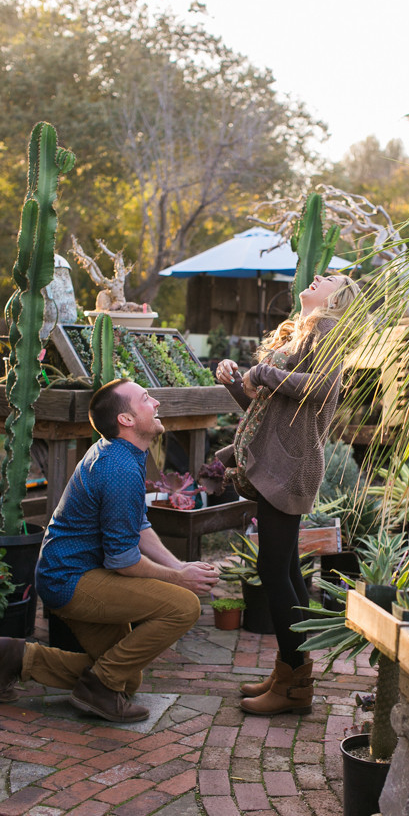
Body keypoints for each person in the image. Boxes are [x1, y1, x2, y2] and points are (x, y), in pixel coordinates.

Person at [0, 379, 219, 722]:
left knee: (126, 680)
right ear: (126, 420)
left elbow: (138, 526)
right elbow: (124, 561)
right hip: (70, 579)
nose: (156, 403)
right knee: (184, 606)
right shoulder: (119, 467)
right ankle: (99, 688)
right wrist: (179, 579)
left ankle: (13, 657)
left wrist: (178, 565)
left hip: (74, 573)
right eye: (146, 399)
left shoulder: (123, 453)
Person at [216, 273, 361, 715]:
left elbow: (321, 386)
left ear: (337, 299)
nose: (317, 276)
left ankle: (295, 683)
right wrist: (236, 383)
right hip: (283, 465)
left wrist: (261, 372)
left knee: (274, 569)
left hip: (290, 468)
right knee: (286, 570)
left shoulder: (327, 328)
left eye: (328, 278)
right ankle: (289, 674)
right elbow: (269, 412)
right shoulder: (301, 333)